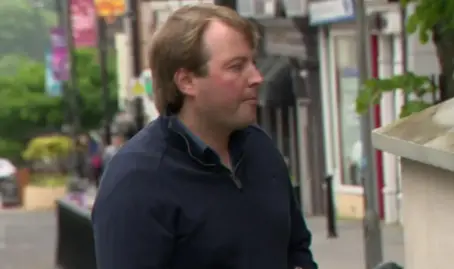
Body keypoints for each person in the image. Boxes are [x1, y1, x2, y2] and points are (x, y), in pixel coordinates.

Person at [92, 4, 317, 269]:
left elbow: (296, 249)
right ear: (186, 82)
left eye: (253, 63)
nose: (257, 77)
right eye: (236, 67)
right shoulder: (136, 181)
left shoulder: (260, 148)